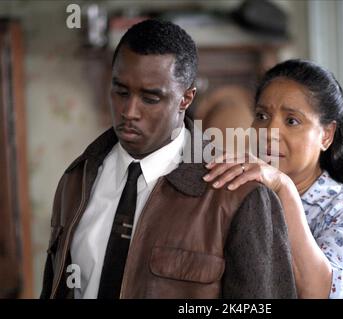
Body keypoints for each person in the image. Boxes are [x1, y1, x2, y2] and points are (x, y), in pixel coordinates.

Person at [40, 19, 297, 299]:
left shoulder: (239, 195)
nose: (129, 111)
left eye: (150, 98)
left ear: (186, 98)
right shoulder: (78, 178)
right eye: (121, 92)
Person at [204, 59, 343, 299]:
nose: (269, 132)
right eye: (261, 116)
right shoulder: (235, 192)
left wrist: (284, 188)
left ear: (326, 135)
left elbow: (318, 293)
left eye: (292, 121)